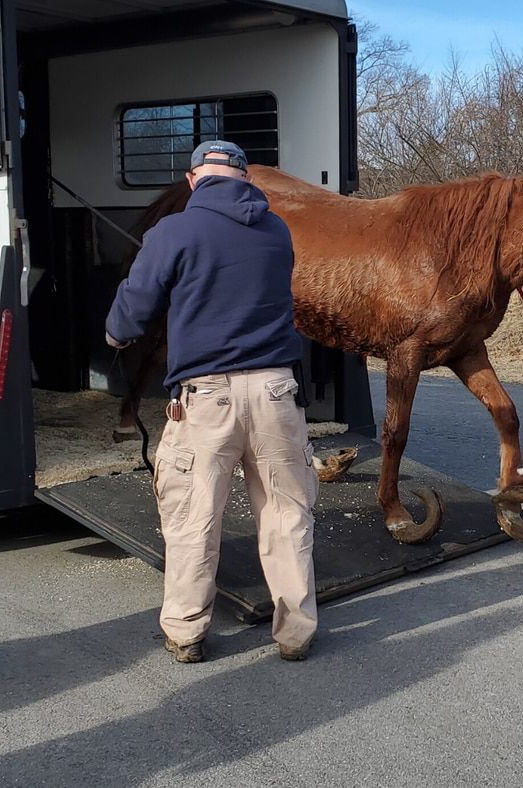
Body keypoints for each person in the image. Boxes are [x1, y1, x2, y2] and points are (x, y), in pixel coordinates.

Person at [105, 140, 317, 663]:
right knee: (286, 514)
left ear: (193, 179)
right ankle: (295, 634)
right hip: (276, 390)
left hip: (206, 398)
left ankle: (186, 632)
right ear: (246, 179)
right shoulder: (277, 231)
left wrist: (116, 334)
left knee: (193, 516)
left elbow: (134, 309)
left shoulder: (173, 231)